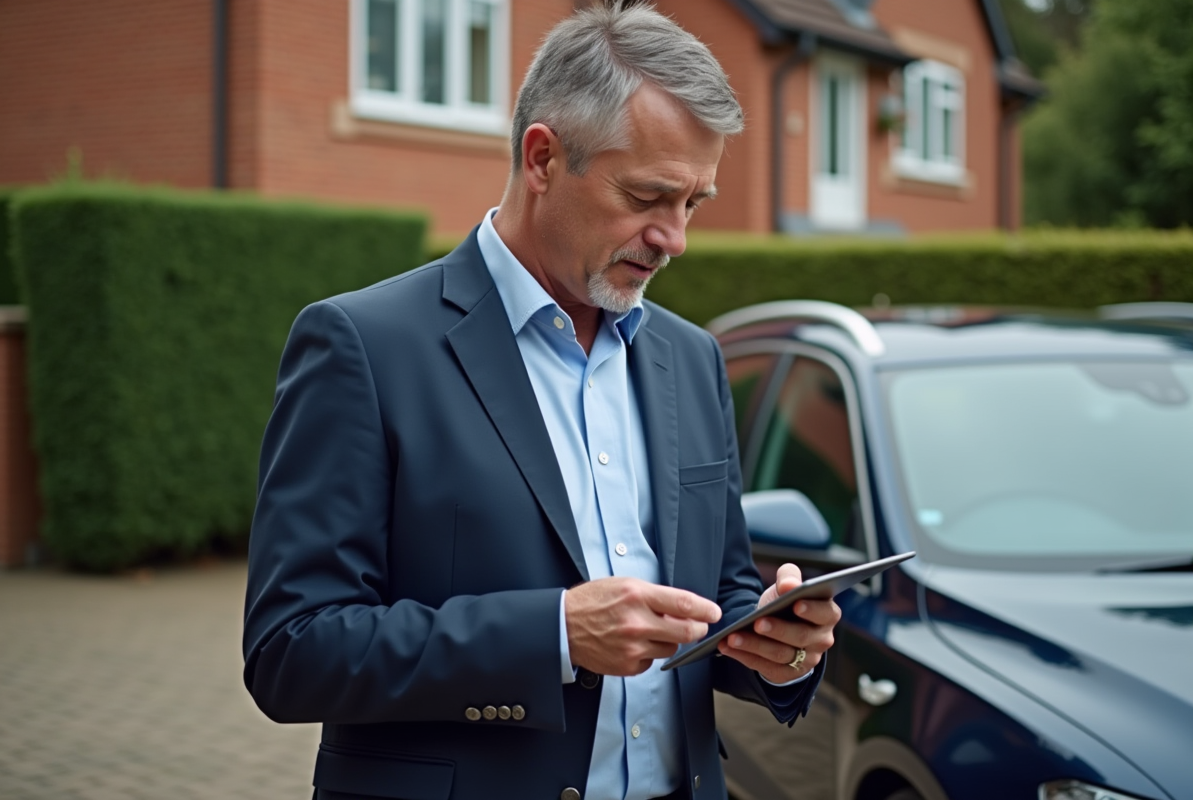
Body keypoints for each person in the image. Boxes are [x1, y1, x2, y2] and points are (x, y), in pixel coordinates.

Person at [243, 4, 841, 799]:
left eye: (693, 203)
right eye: (648, 196)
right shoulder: (362, 344)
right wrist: (553, 634)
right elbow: (292, 651)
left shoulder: (691, 359)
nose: (675, 239)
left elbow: (717, 592)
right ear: (543, 157)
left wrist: (774, 643)